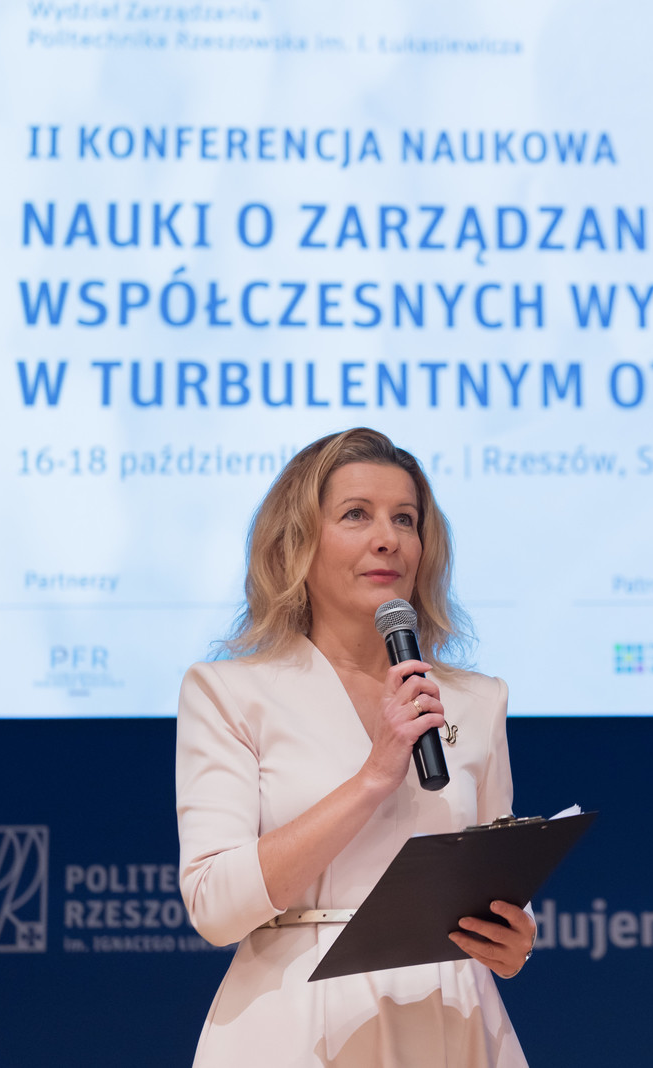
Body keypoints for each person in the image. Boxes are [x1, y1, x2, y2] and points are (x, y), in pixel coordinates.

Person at [176, 428, 533, 1067]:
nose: (387, 538)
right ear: (297, 544)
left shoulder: (477, 700)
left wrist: (514, 935)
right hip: (296, 1024)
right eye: (356, 515)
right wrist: (373, 777)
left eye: (405, 519)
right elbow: (215, 906)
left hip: (450, 1019)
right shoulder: (230, 692)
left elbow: (493, 876)